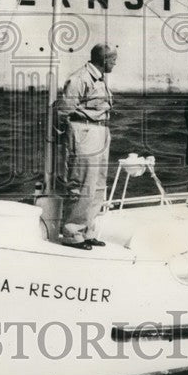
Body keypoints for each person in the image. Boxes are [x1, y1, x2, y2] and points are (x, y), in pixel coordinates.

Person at [58, 43, 117, 249]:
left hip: (100, 131)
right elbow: (64, 111)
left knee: (98, 184)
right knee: (83, 183)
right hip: (84, 132)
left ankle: (87, 231)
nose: (115, 64)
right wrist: (68, 139)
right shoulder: (80, 78)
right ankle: (72, 233)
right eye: (113, 60)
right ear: (103, 60)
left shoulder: (98, 79)